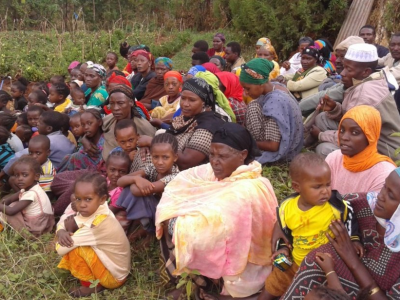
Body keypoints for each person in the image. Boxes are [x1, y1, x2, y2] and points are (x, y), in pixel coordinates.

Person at [156, 122, 278, 300]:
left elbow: (214, 228)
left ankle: (205, 283)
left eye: (222, 156)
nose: (214, 161)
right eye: (211, 154)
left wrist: (175, 220)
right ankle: (191, 280)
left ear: (242, 155)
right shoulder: (217, 171)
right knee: (171, 217)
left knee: (179, 228)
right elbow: (182, 180)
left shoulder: (247, 188)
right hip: (217, 237)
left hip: (242, 262)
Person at [282, 168, 400, 299]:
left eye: (391, 196)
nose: (380, 196)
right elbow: (302, 204)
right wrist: (280, 234)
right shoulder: (361, 204)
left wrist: (352, 260)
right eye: (384, 187)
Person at [258, 153, 361, 300]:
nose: (325, 191)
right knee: (272, 286)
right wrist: (283, 248)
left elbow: (350, 218)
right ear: (296, 187)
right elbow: (285, 232)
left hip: (323, 266)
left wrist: (355, 239)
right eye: (317, 187)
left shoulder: (336, 207)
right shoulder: (287, 208)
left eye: (328, 184)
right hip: (294, 263)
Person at [308, 43, 400, 159]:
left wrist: (321, 135)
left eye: (348, 69)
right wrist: (334, 109)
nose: (342, 73)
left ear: (366, 72)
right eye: (344, 67)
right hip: (369, 136)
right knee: (322, 118)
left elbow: (354, 135)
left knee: (325, 150)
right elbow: (352, 117)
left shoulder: (366, 94)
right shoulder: (370, 79)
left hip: (385, 151)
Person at [56, 172, 130, 297]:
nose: (82, 204)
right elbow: (67, 222)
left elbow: (61, 249)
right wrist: (62, 231)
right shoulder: (100, 208)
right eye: (78, 199)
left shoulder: (96, 224)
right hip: (117, 269)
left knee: (75, 249)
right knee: (72, 241)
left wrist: (67, 230)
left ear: (102, 199)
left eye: (88, 199)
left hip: (113, 278)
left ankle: (91, 286)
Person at [137, 77, 225, 170]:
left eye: (192, 100)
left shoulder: (208, 125)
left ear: (203, 102)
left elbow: (186, 162)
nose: (185, 104)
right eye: (183, 98)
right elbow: (168, 140)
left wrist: (152, 142)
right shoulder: (185, 119)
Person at [116, 133, 180, 244]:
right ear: (151, 155)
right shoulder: (152, 168)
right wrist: (136, 179)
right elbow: (120, 181)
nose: (160, 162)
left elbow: (136, 191)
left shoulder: (174, 176)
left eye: (165, 157)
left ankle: (150, 231)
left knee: (135, 193)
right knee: (128, 189)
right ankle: (144, 226)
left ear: (175, 157)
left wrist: (136, 180)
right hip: (156, 209)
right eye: (156, 157)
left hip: (168, 214)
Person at [240, 58, 303, 164]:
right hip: (293, 145)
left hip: (284, 151)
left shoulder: (274, 102)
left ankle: (256, 149)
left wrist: (247, 141)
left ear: (260, 83)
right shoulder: (277, 87)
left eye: (248, 88)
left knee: (253, 107)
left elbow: (273, 146)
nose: (245, 93)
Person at [326, 105, 396, 194]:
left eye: (355, 132)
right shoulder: (334, 158)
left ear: (370, 136)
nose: (344, 137)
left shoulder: (383, 173)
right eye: (342, 130)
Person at [0, 111, 75, 182]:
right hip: (60, 172)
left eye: (40, 122)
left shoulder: (49, 141)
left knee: (22, 160)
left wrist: (3, 172)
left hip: (52, 176)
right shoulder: (61, 137)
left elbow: (21, 155)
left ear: (49, 128)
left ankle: (4, 180)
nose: (37, 124)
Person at [0, 156, 54, 236]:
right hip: (43, 224)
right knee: (12, 205)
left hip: (35, 230)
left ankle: (25, 236)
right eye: (17, 175)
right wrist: (4, 203)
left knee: (9, 212)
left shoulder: (31, 194)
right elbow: (9, 200)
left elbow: (11, 211)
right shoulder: (30, 188)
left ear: (36, 176)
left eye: (25, 175)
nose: (20, 179)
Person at [100, 84, 155, 161]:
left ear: (131, 102)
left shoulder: (143, 126)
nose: (115, 108)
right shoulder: (108, 120)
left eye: (120, 103)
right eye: (112, 104)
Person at [378, 33, 400, 113]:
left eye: (399, 45)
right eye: (392, 45)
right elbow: (379, 61)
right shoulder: (390, 56)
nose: (396, 48)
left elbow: (389, 74)